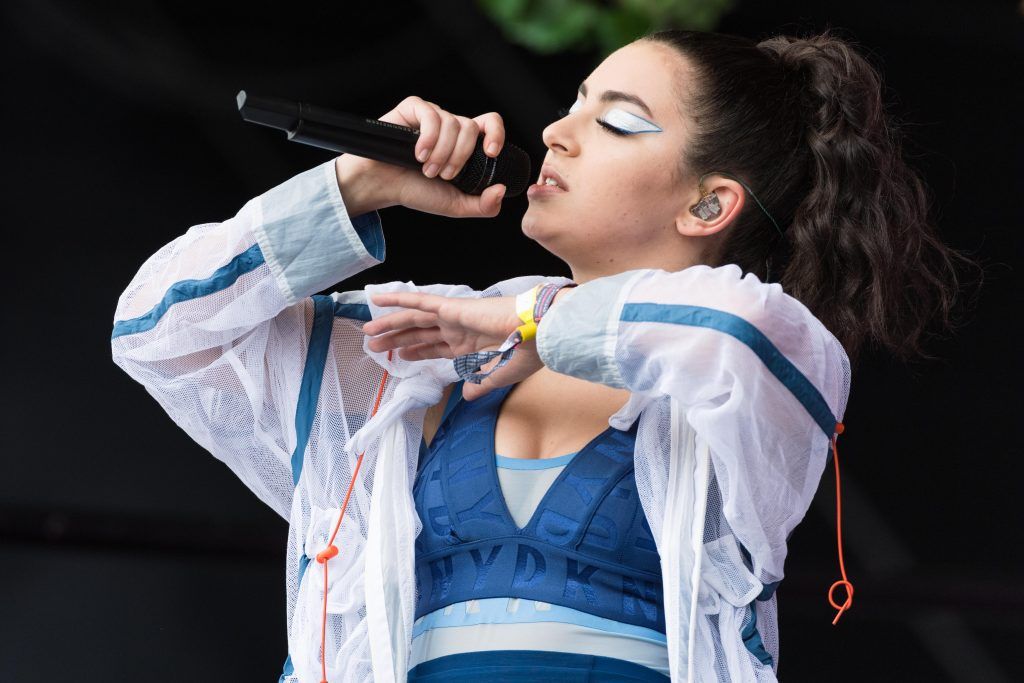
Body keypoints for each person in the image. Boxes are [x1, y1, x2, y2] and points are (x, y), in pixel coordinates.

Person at [111, 29, 966, 683]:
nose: (557, 132)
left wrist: (527, 321)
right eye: (574, 104)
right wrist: (355, 185)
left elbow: (732, 331)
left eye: (617, 121)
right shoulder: (424, 357)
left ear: (709, 204)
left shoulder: (747, 372)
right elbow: (156, 326)